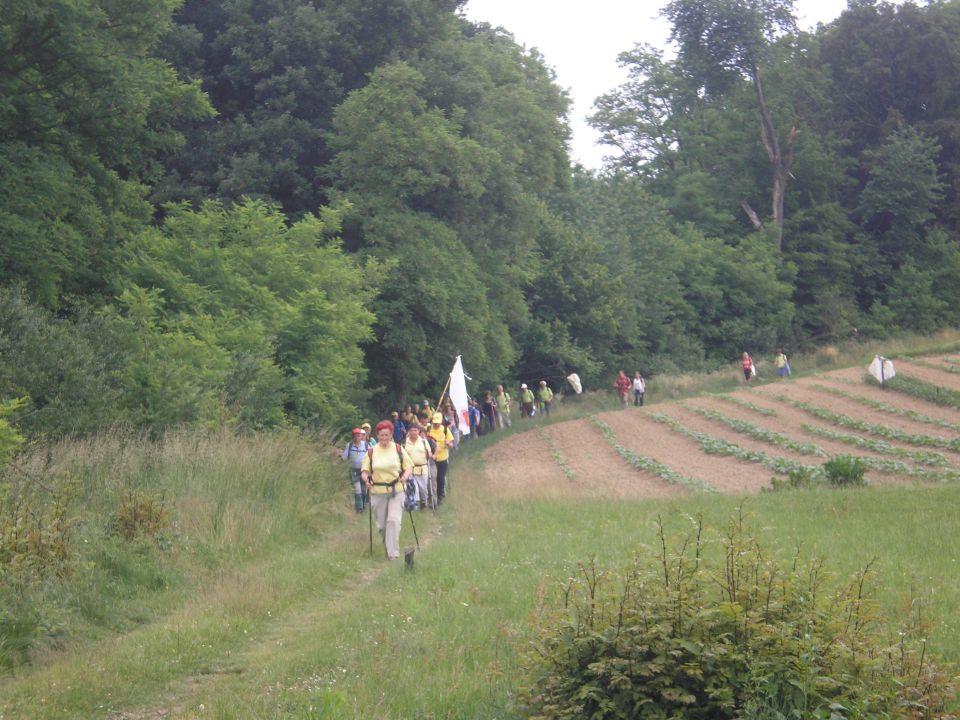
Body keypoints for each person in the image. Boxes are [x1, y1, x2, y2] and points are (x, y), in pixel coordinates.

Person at [361, 420, 412, 560]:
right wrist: (366, 480)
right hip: (378, 491)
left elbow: (408, 467)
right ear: (377, 435)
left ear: (391, 435)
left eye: (387, 435)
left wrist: (405, 476)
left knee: (393, 520)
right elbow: (364, 471)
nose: (384, 438)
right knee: (382, 526)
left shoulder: (398, 449)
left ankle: (393, 554)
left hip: (397, 489)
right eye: (382, 435)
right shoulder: (371, 452)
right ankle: (388, 547)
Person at [404, 423, 434, 510]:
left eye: (415, 430)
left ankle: (424, 502)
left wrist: (429, 454)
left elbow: (429, 452)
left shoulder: (424, 441)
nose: (413, 432)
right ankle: (415, 507)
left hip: (422, 469)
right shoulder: (405, 442)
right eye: (412, 430)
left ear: (419, 431)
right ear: (409, 432)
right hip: (410, 470)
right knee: (414, 489)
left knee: (423, 489)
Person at [426, 413, 454, 503]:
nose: (436, 424)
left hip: (443, 458)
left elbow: (451, 445)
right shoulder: (429, 429)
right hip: (432, 459)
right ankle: (432, 497)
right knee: (433, 478)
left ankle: (440, 496)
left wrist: (448, 443)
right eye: (434, 422)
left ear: (441, 421)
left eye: (437, 422)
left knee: (441, 478)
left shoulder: (445, 430)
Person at [340, 427, 369, 513]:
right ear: (353, 437)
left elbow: (372, 456)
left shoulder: (366, 445)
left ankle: (363, 507)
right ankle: (359, 509)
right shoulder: (349, 445)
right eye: (355, 436)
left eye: (359, 436)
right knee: (357, 490)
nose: (357, 438)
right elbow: (344, 457)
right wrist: (339, 455)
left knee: (364, 491)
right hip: (353, 471)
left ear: (361, 436)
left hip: (364, 471)